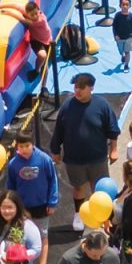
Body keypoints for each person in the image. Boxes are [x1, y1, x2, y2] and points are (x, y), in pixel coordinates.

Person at [51, 75, 121, 228]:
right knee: (78, 187)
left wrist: (114, 149)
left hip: (97, 157)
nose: (77, 90)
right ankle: (78, 215)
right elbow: (59, 131)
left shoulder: (102, 105)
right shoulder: (67, 107)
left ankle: (105, 217)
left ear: (91, 88)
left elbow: (112, 129)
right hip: (74, 159)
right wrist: (55, 150)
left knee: (99, 188)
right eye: (75, 87)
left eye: (81, 87)